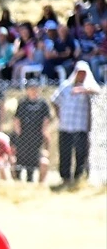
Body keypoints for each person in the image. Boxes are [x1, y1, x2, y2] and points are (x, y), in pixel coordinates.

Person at [50, 60, 100, 190]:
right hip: (66, 125)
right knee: (65, 152)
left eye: (84, 73)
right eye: (79, 72)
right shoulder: (66, 86)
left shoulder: (89, 87)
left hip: (81, 126)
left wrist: (83, 90)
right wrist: (59, 115)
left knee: (81, 153)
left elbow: (98, 91)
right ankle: (65, 177)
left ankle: (78, 177)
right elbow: (54, 100)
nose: (81, 75)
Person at [12, 78, 51, 183]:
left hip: (36, 137)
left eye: (35, 88)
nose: (33, 90)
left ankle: (31, 180)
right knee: (20, 160)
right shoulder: (22, 103)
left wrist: (44, 132)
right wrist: (18, 133)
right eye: (30, 88)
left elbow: (46, 119)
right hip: (23, 137)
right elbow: (17, 119)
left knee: (34, 161)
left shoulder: (42, 103)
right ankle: (18, 181)